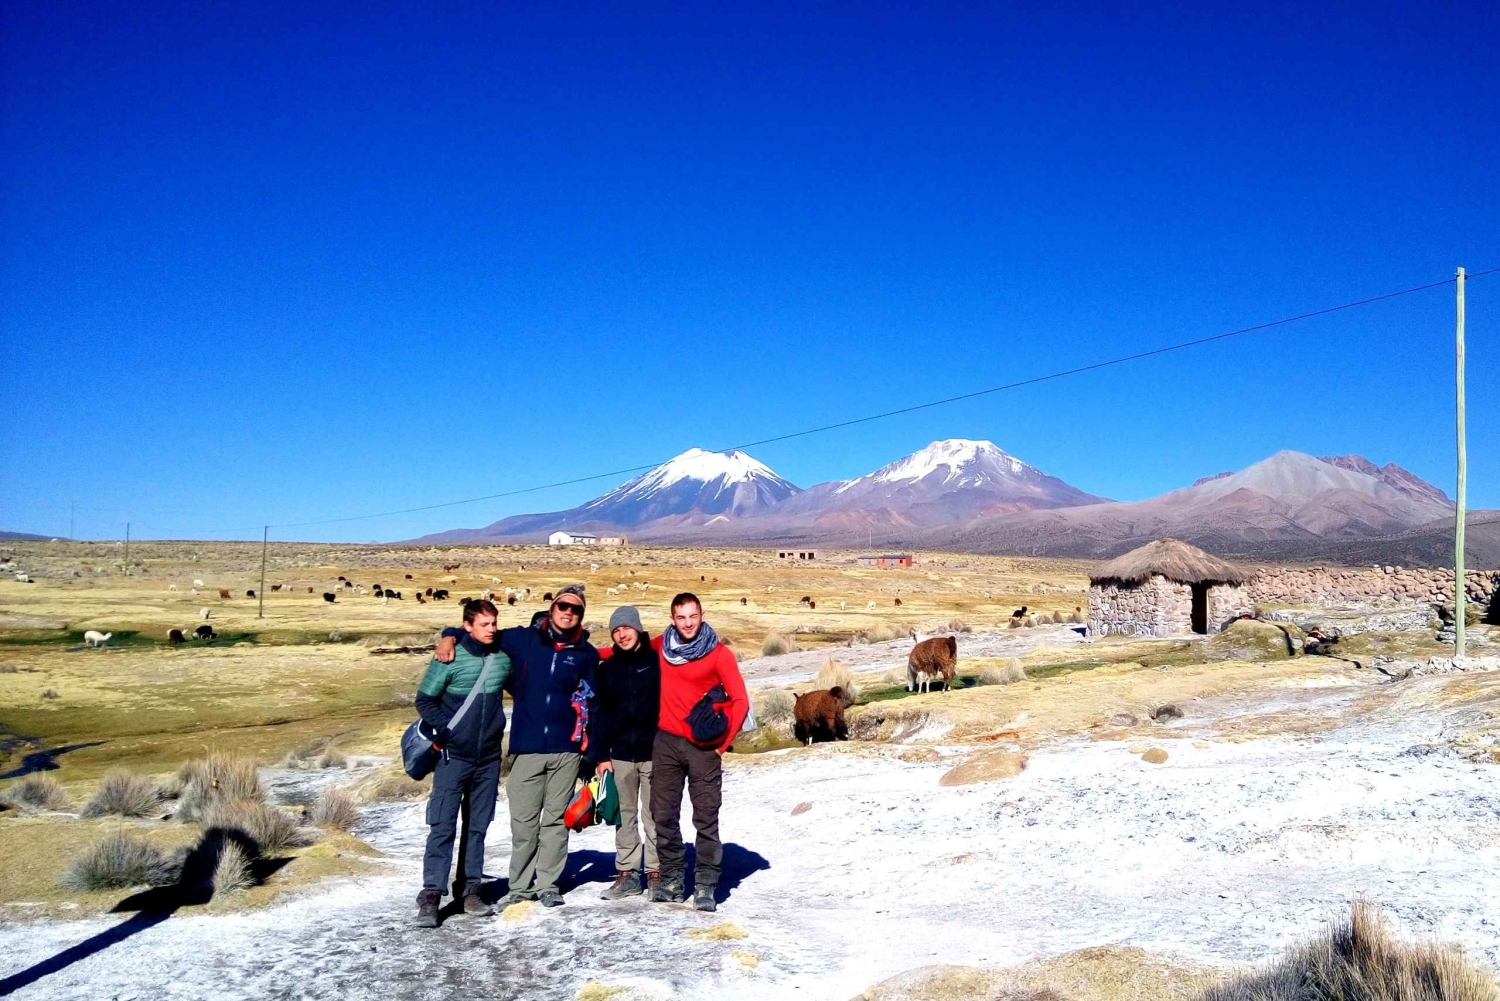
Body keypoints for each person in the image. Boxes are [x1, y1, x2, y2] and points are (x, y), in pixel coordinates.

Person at [435, 584, 598, 907]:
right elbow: (480, 633)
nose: (568, 613)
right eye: (563, 606)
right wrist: (449, 635)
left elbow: (592, 700)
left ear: (581, 615)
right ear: (552, 607)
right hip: (526, 747)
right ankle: (521, 887)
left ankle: (549, 884)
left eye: (575, 609)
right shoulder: (522, 640)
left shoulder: (586, 654)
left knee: (554, 822)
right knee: (523, 822)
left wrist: (591, 752)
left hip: (566, 750)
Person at [413, 598, 510, 927]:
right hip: (454, 756)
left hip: (488, 759)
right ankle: (431, 895)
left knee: (478, 826)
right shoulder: (449, 656)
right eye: (485, 624)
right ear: (467, 626)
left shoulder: (501, 657)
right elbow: (424, 700)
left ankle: (469, 890)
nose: (492, 630)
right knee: (442, 825)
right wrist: (447, 731)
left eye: (494, 624)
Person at [650, 592, 748, 912]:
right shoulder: (661, 647)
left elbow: (740, 701)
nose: (688, 623)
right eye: (681, 617)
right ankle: (673, 878)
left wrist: (722, 742)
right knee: (663, 814)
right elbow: (625, 652)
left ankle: (706, 884)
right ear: (672, 619)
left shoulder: (719, 654)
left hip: (702, 748)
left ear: (702, 615)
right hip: (665, 742)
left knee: (705, 817)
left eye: (693, 616)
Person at [593, 605, 662, 900]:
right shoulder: (607, 669)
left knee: (655, 815)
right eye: (616, 630)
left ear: (638, 628)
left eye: (626, 628)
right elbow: (600, 713)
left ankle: (657, 873)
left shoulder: (657, 661)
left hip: (655, 752)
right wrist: (600, 755)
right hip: (619, 754)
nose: (622, 635)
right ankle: (628, 874)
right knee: (625, 816)